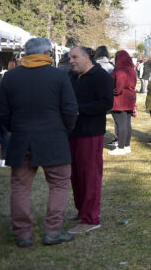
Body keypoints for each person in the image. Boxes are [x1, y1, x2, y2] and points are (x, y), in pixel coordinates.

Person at [0, 38, 77, 247]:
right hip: (54, 138)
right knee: (59, 184)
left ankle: (23, 234)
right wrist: (65, 129)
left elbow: (2, 112)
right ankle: (53, 231)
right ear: (48, 52)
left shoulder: (10, 77)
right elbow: (70, 109)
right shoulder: (59, 75)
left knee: (20, 187)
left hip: (21, 137)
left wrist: (16, 128)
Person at [67, 46, 114, 234]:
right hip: (72, 132)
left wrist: (79, 110)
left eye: (74, 57)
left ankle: (91, 218)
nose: (71, 61)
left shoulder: (101, 77)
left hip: (91, 133)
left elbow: (106, 103)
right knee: (76, 174)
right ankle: (82, 211)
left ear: (87, 57)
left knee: (89, 176)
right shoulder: (72, 77)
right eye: (69, 58)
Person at [109, 50, 137, 156]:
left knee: (121, 124)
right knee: (127, 123)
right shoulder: (132, 70)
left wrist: (115, 92)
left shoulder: (121, 70)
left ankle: (120, 147)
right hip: (130, 98)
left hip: (120, 99)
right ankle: (126, 146)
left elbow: (119, 84)